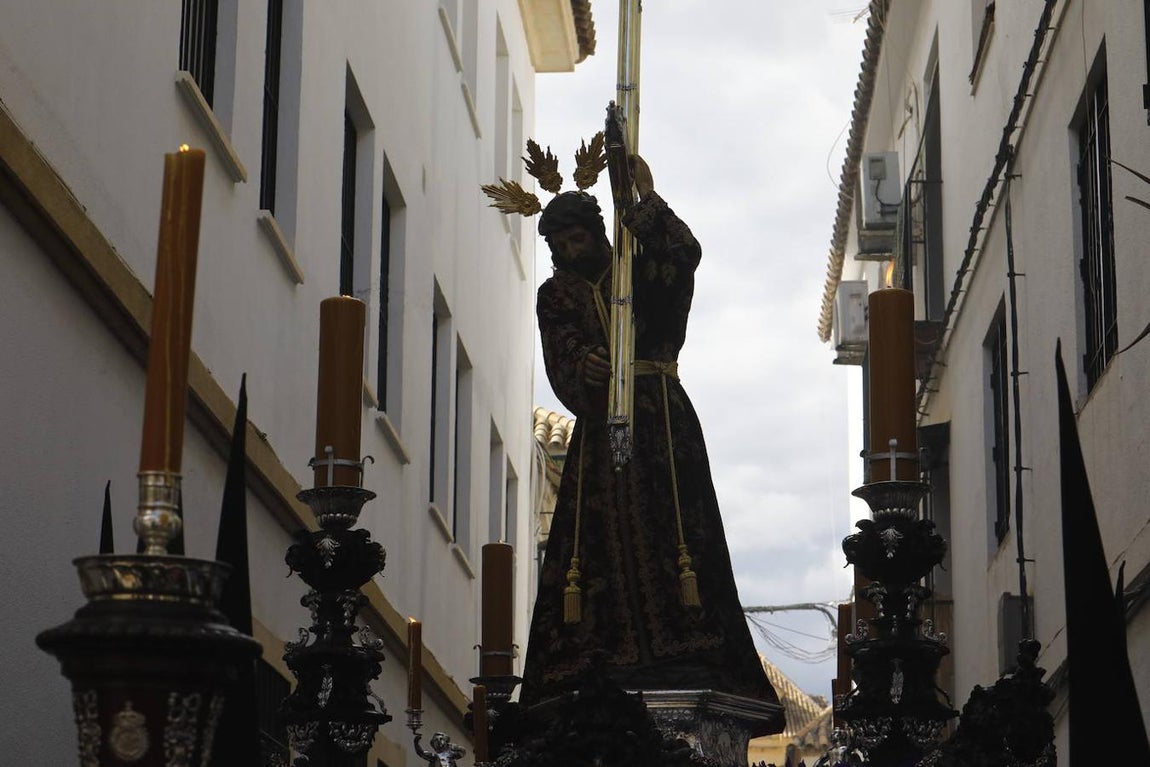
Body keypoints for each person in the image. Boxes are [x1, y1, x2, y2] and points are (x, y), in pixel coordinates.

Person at [521, 156, 780, 718]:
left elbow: (683, 258)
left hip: (660, 416)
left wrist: (644, 201)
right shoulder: (557, 294)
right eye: (561, 243)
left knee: (674, 527)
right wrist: (582, 365)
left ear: (596, 231)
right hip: (601, 429)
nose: (572, 249)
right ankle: (605, 651)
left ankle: (685, 644)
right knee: (599, 538)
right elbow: (561, 354)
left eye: (579, 237)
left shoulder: (636, 269)